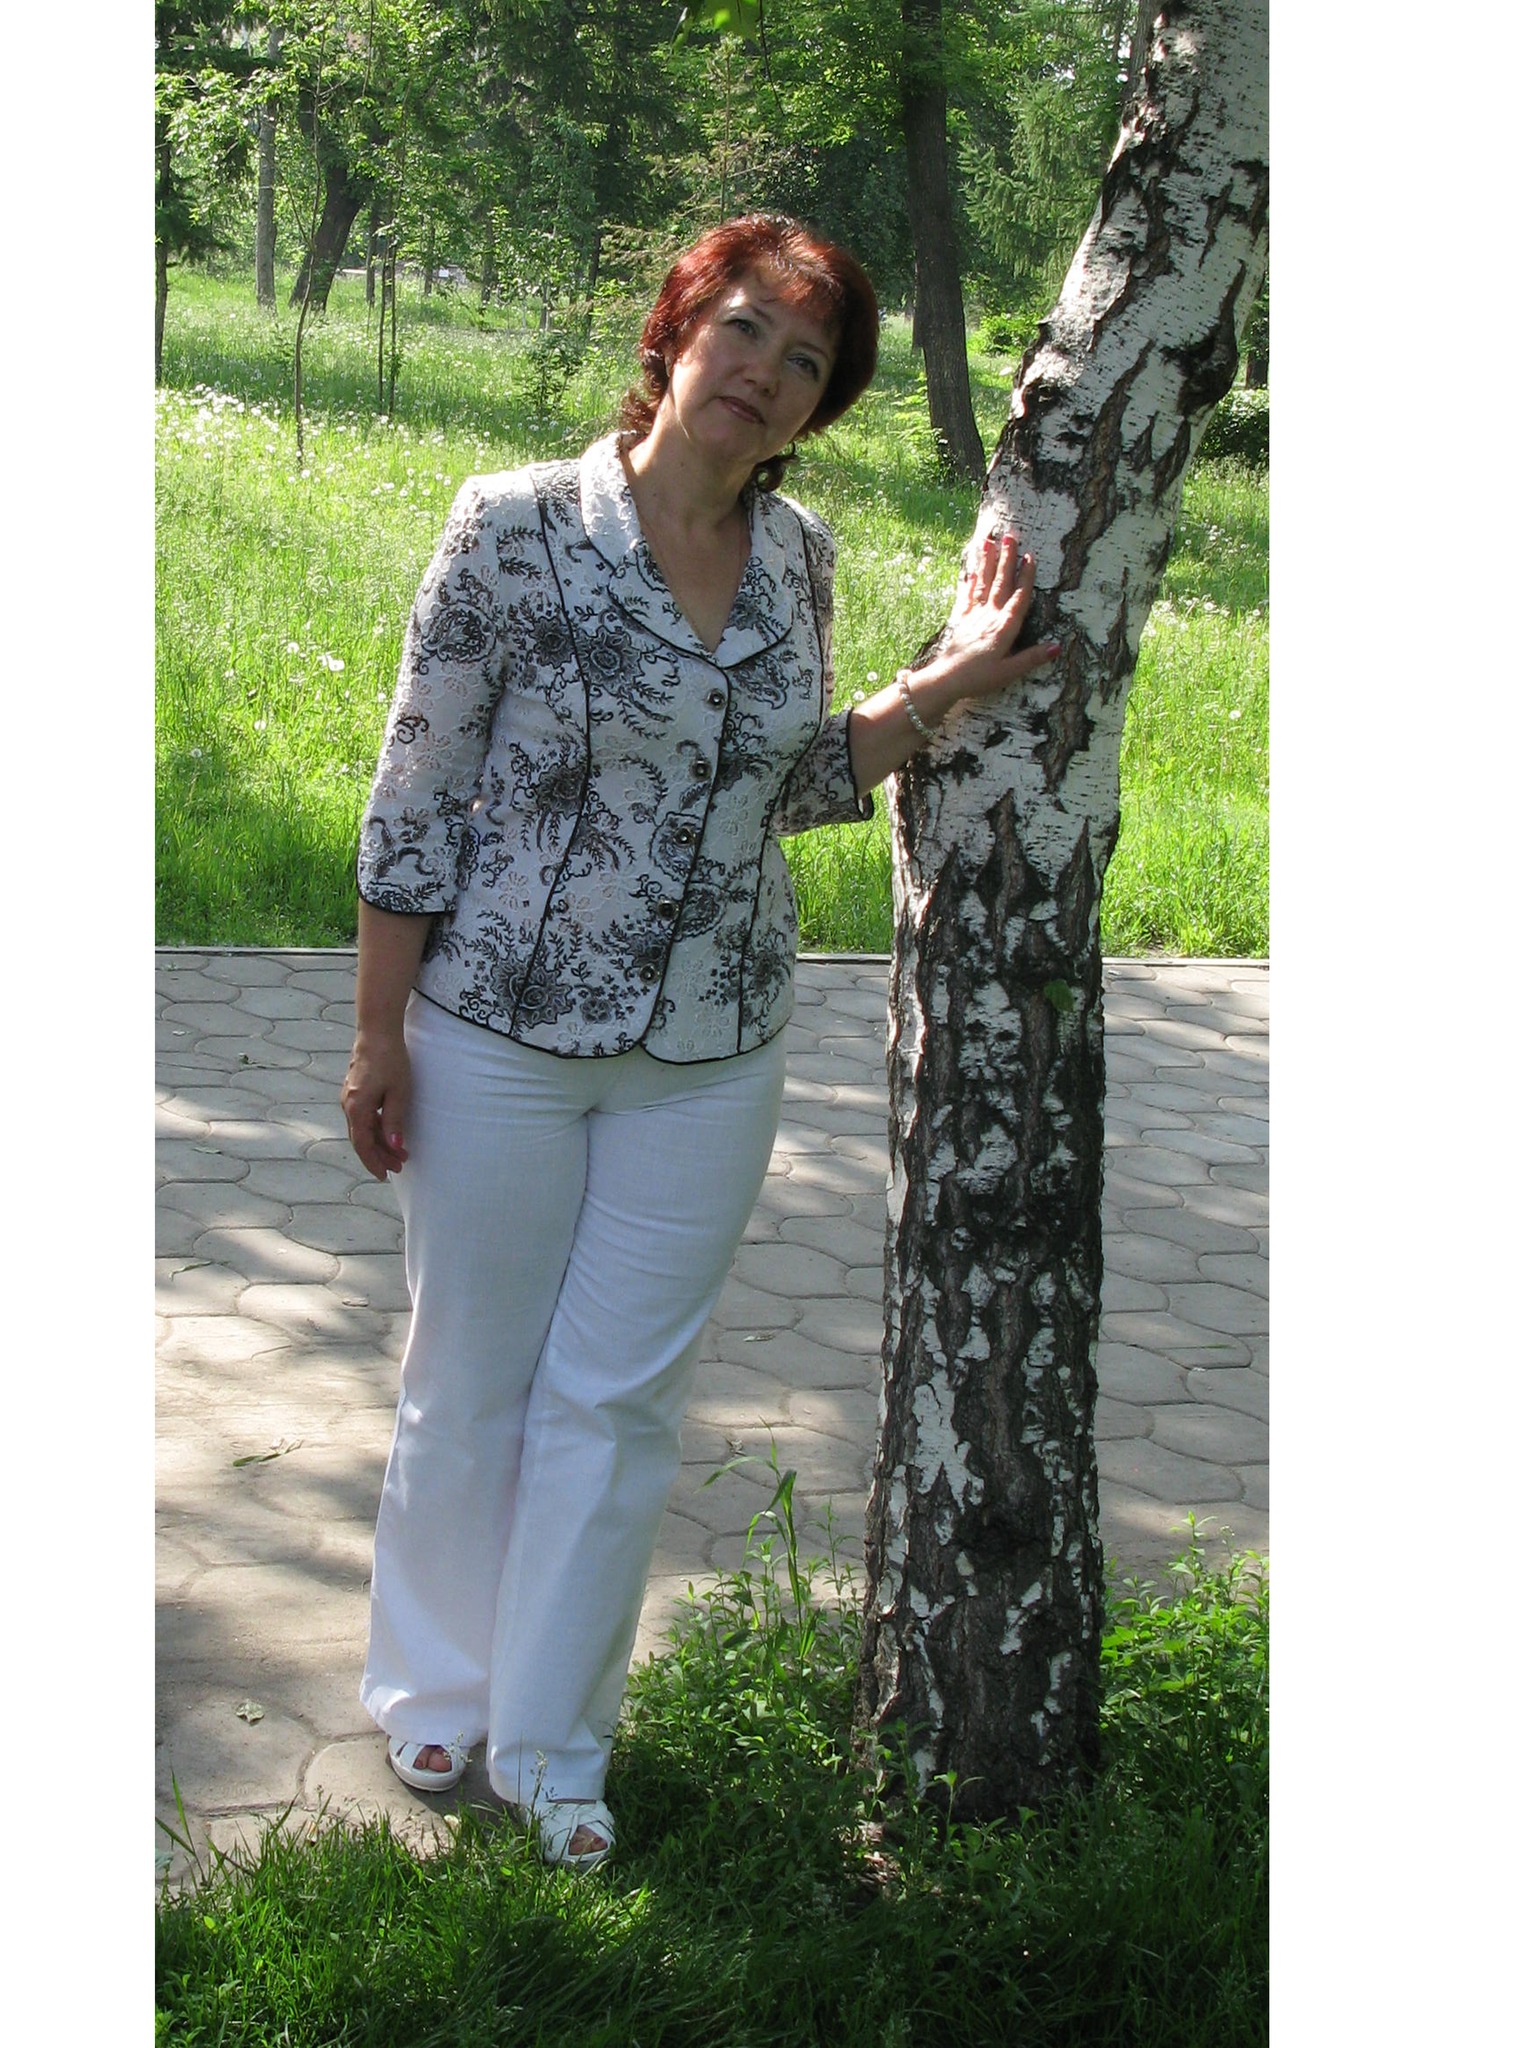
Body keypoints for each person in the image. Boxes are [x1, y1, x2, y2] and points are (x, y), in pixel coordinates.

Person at [342, 213, 1061, 1872]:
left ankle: (555, 1746)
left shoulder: (799, 555)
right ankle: (432, 1689)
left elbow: (790, 781)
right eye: (745, 328)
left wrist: (945, 683)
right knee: (470, 1383)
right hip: (498, 1034)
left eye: (806, 361)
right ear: (675, 332)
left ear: (819, 407)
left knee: (618, 1409)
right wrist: (378, 1034)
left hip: (716, 1045)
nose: (765, 372)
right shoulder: (513, 524)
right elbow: (417, 794)